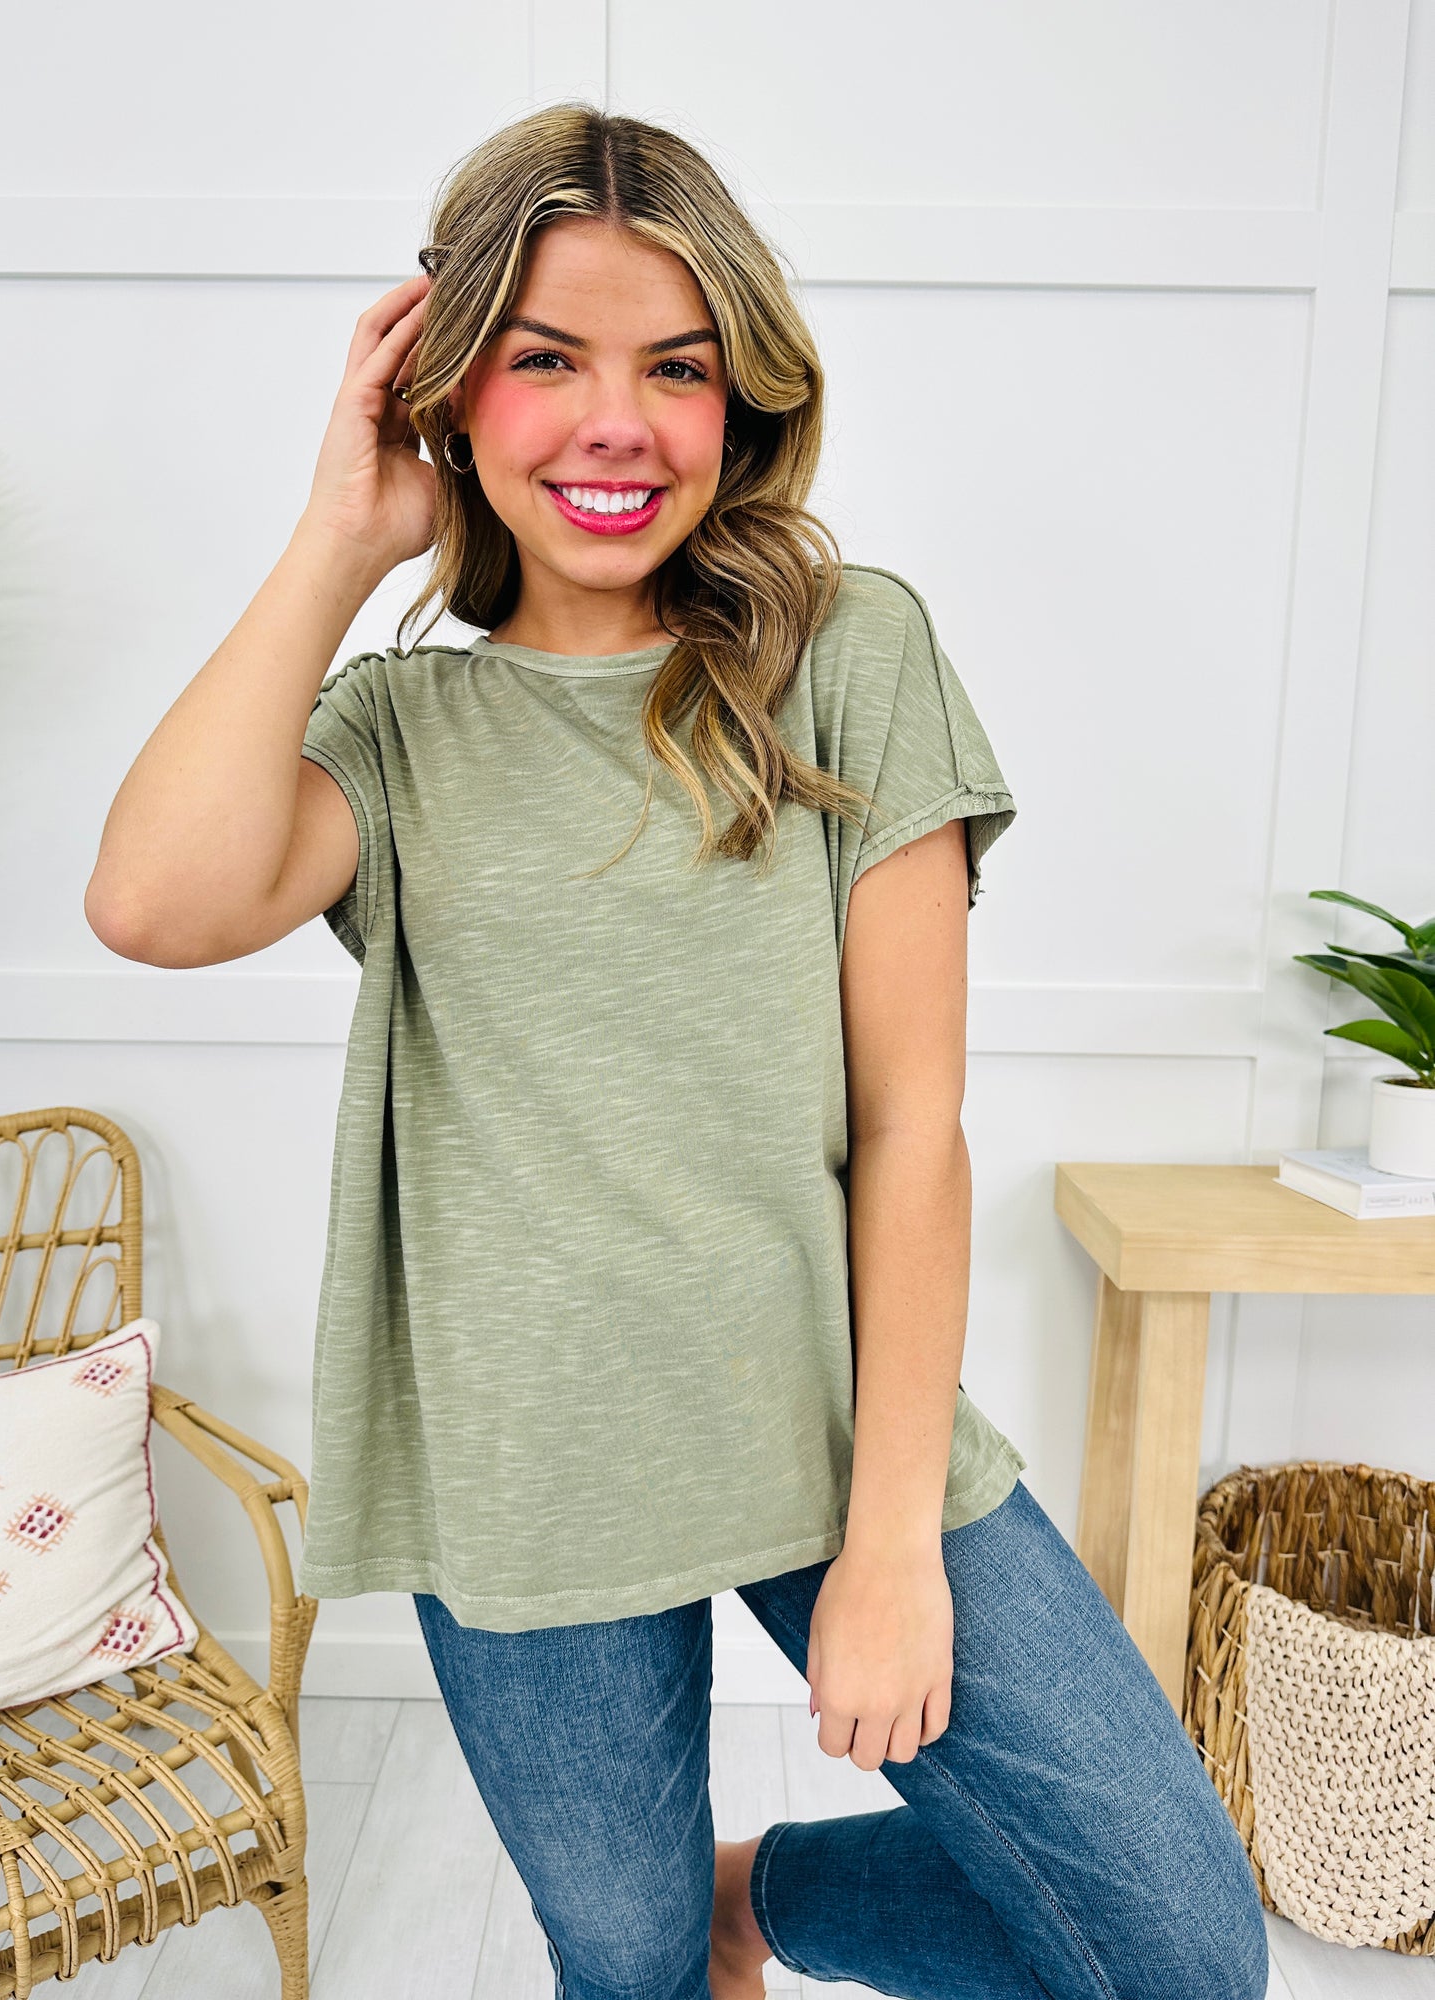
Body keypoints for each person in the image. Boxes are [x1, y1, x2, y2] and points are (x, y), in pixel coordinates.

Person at [86, 103, 1270, 2000]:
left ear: (744, 398)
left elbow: (915, 1125)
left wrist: (894, 1545)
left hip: (832, 1421)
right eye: (545, 360)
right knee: (624, 1970)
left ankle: (755, 1900)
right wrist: (339, 534)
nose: (617, 424)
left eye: (678, 368)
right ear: (447, 390)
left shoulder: (848, 653)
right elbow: (152, 903)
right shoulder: (393, 732)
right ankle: (680, 1929)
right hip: (525, 1472)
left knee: (1181, 1948)